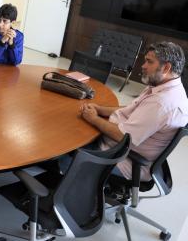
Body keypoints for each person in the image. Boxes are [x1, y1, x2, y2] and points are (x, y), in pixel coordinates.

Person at [79, 41, 188, 181]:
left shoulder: (162, 103)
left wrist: (94, 119)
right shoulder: (163, 86)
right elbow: (131, 109)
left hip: (121, 159)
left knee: (66, 147)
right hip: (118, 146)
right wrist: (100, 109)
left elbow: (122, 136)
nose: (143, 66)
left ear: (166, 67)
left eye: (149, 62)